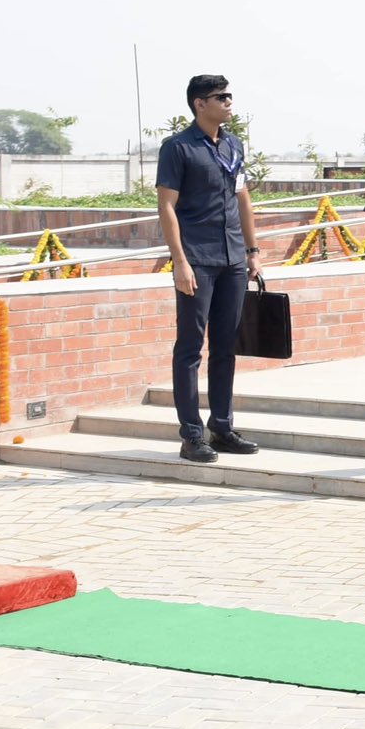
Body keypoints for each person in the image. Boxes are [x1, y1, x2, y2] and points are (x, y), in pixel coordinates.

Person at [156, 74, 263, 465]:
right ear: (200, 104)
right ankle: (191, 434)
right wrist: (180, 261)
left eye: (230, 95)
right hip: (197, 259)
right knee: (189, 348)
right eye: (221, 97)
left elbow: (243, 198)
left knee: (225, 348)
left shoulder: (233, 145)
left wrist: (252, 250)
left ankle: (222, 426)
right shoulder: (178, 148)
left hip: (233, 258)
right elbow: (166, 206)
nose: (229, 102)